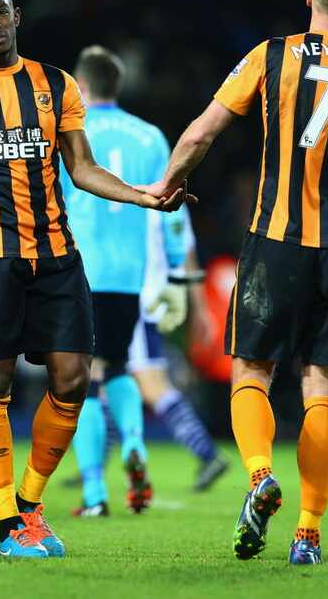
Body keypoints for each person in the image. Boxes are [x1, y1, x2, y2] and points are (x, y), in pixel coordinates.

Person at [138, 0, 328, 565]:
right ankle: (308, 533)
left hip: (273, 240)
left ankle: (260, 474)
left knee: (252, 373)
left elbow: (201, 132)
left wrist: (166, 185)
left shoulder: (269, 56)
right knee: (323, 387)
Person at [0, 0, 188, 560]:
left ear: (17, 16)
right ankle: (8, 522)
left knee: (72, 378)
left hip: (59, 256)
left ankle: (30, 505)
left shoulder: (55, 84)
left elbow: (82, 168)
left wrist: (144, 195)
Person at [63, 45, 189, 516]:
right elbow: (174, 210)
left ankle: (95, 493)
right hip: (129, 276)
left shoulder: (71, 131)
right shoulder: (151, 137)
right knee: (116, 367)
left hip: (79, 271)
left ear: (81, 84)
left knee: (78, 381)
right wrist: (179, 273)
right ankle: (136, 442)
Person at [128, 210, 229, 492]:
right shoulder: (173, 200)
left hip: (137, 299)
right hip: (151, 299)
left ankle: (208, 453)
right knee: (108, 378)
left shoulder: (130, 187)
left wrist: (201, 310)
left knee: (151, 385)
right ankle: (94, 469)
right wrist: (199, 308)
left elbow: (184, 251)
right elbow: (187, 252)